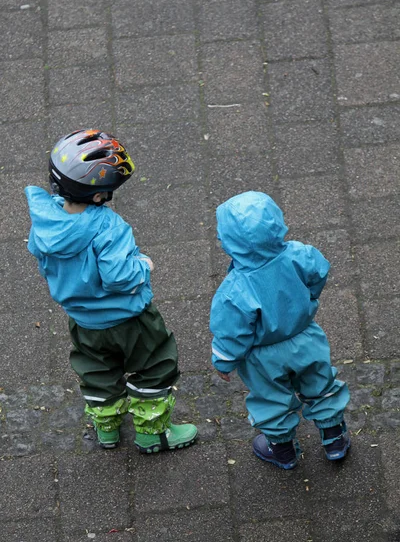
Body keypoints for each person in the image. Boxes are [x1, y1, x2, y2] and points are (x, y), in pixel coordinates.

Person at [25, 129, 197, 452]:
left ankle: (107, 428)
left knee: (97, 371)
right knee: (155, 365)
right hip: (130, 320)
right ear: (100, 196)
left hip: (84, 323)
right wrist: (143, 265)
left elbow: (41, 258)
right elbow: (119, 276)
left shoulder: (45, 223)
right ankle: (152, 432)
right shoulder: (106, 227)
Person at [210, 191, 350, 470]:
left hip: (262, 357)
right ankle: (334, 439)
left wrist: (224, 361)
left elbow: (231, 332)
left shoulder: (234, 289)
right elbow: (318, 273)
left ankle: (283, 450)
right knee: (320, 384)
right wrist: (307, 300)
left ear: (229, 243)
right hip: (305, 338)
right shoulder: (299, 254)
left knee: (271, 399)